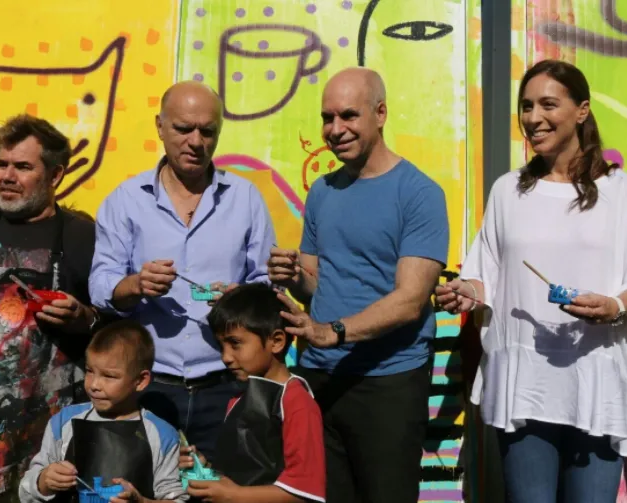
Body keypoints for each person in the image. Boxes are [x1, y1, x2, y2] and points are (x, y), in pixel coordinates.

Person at [435, 60, 627, 503]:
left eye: (547, 104)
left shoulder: (617, 190)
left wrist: (614, 306)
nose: (533, 117)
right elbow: (484, 277)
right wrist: (466, 292)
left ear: (582, 111)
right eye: (526, 106)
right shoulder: (508, 191)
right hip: (525, 384)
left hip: (595, 382)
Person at [268, 68, 449, 503]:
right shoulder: (322, 191)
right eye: (327, 118)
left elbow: (410, 301)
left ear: (380, 113)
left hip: (388, 381)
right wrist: (293, 277)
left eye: (349, 115)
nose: (335, 129)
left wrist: (334, 331)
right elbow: (314, 286)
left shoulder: (420, 193)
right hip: (319, 376)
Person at [89, 81, 276, 461]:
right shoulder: (126, 201)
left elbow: (266, 282)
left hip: (226, 384)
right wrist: (136, 284)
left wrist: (240, 301)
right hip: (147, 386)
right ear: (160, 126)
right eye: (183, 128)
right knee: (144, 487)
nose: (196, 141)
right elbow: (100, 286)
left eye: (207, 131)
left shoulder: (245, 198)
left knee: (223, 486)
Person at [0, 114, 99, 501]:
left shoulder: (85, 237)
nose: (6, 176)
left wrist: (86, 318)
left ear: (56, 174)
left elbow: (117, 322)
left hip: (46, 437)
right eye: (2, 164)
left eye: (23, 167)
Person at [182, 283, 325, 503]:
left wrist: (234, 496)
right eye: (221, 346)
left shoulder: (296, 402)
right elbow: (246, 472)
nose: (225, 357)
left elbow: (304, 490)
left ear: (276, 341)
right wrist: (207, 469)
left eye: (235, 343)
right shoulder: (237, 398)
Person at [19, 319, 187, 503]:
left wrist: (141, 501)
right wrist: (44, 480)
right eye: (90, 371)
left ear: (140, 381)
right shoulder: (63, 421)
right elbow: (25, 491)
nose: (94, 385)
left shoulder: (162, 435)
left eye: (109, 376)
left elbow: (176, 499)